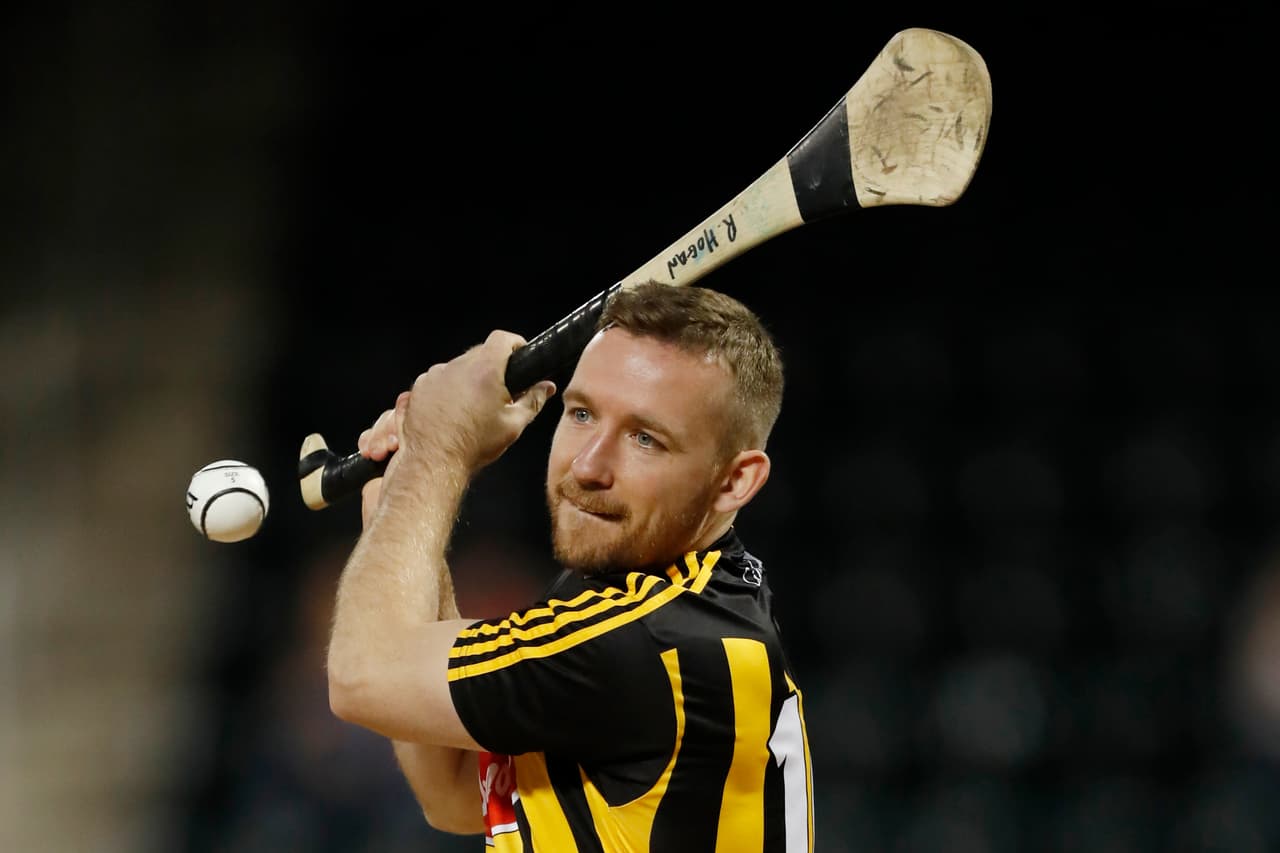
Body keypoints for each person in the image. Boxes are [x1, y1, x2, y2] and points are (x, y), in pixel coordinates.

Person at [326, 280, 815, 851]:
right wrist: (402, 494)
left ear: (735, 481)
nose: (587, 466)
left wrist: (440, 449)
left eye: (645, 438)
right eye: (581, 413)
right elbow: (456, 792)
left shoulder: (648, 639)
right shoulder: (665, 597)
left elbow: (361, 678)